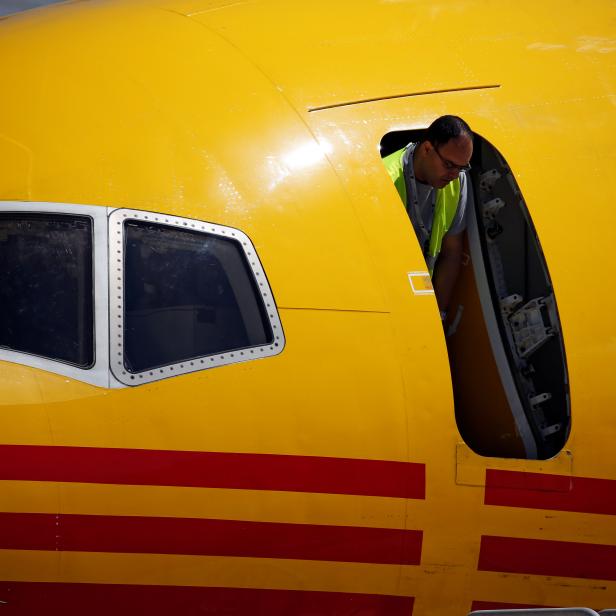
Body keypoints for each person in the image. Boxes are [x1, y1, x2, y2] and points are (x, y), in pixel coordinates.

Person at [382, 115, 473, 320]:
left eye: (462, 167)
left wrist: (437, 315)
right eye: (449, 165)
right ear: (427, 149)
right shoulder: (385, 179)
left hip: (420, 303)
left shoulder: (458, 181)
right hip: (387, 298)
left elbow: (451, 252)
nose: (454, 175)